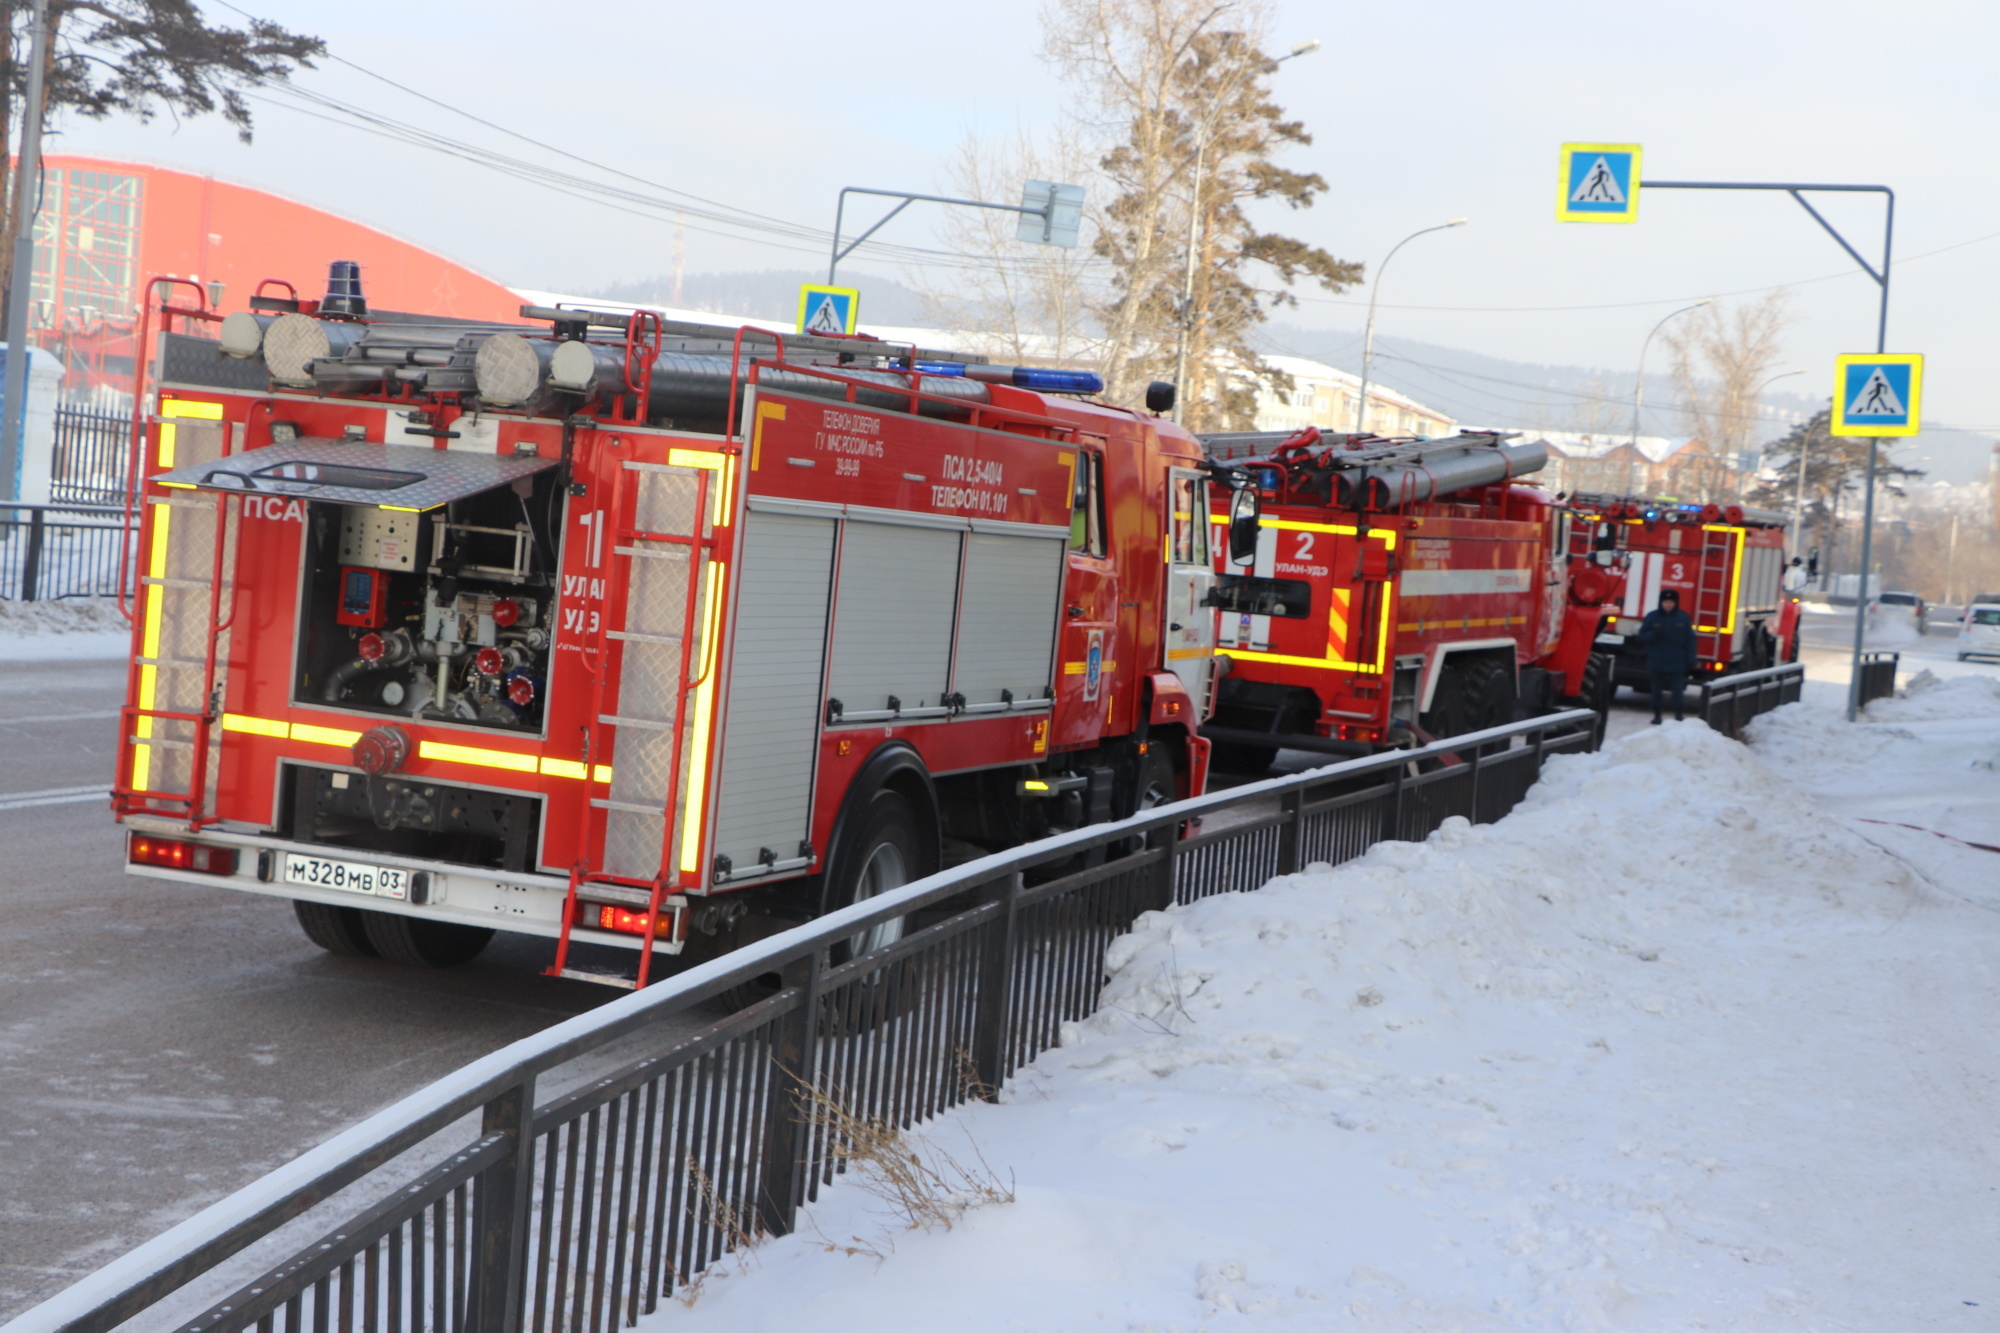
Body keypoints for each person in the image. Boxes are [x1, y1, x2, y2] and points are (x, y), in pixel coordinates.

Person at [1636, 589, 1698, 724]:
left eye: (1671, 602)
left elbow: (1690, 639)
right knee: (1656, 690)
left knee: (1677, 690)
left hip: (1677, 661)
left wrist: (1691, 658)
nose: (1668, 605)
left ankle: (1678, 714)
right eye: (1665, 602)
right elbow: (1642, 636)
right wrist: (1653, 635)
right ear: (1661, 602)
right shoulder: (1652, 617)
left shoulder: (1683, 618)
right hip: (1657, 660)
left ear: (1676, 603)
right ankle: (1657, 715)